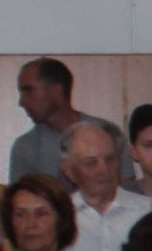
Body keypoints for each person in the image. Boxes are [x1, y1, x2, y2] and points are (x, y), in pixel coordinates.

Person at [58, 119, 151, 251]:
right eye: (91, 162)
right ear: (69, 170)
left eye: (110, 159)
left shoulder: (148, 211)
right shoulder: (58, 215)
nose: (103, 169)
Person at [9, 58, 115, 189]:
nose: (22, 102)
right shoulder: (26, 146)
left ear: (56, 90)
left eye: (28, 91)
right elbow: (21, 198)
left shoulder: (107, 134)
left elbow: (126, 191)